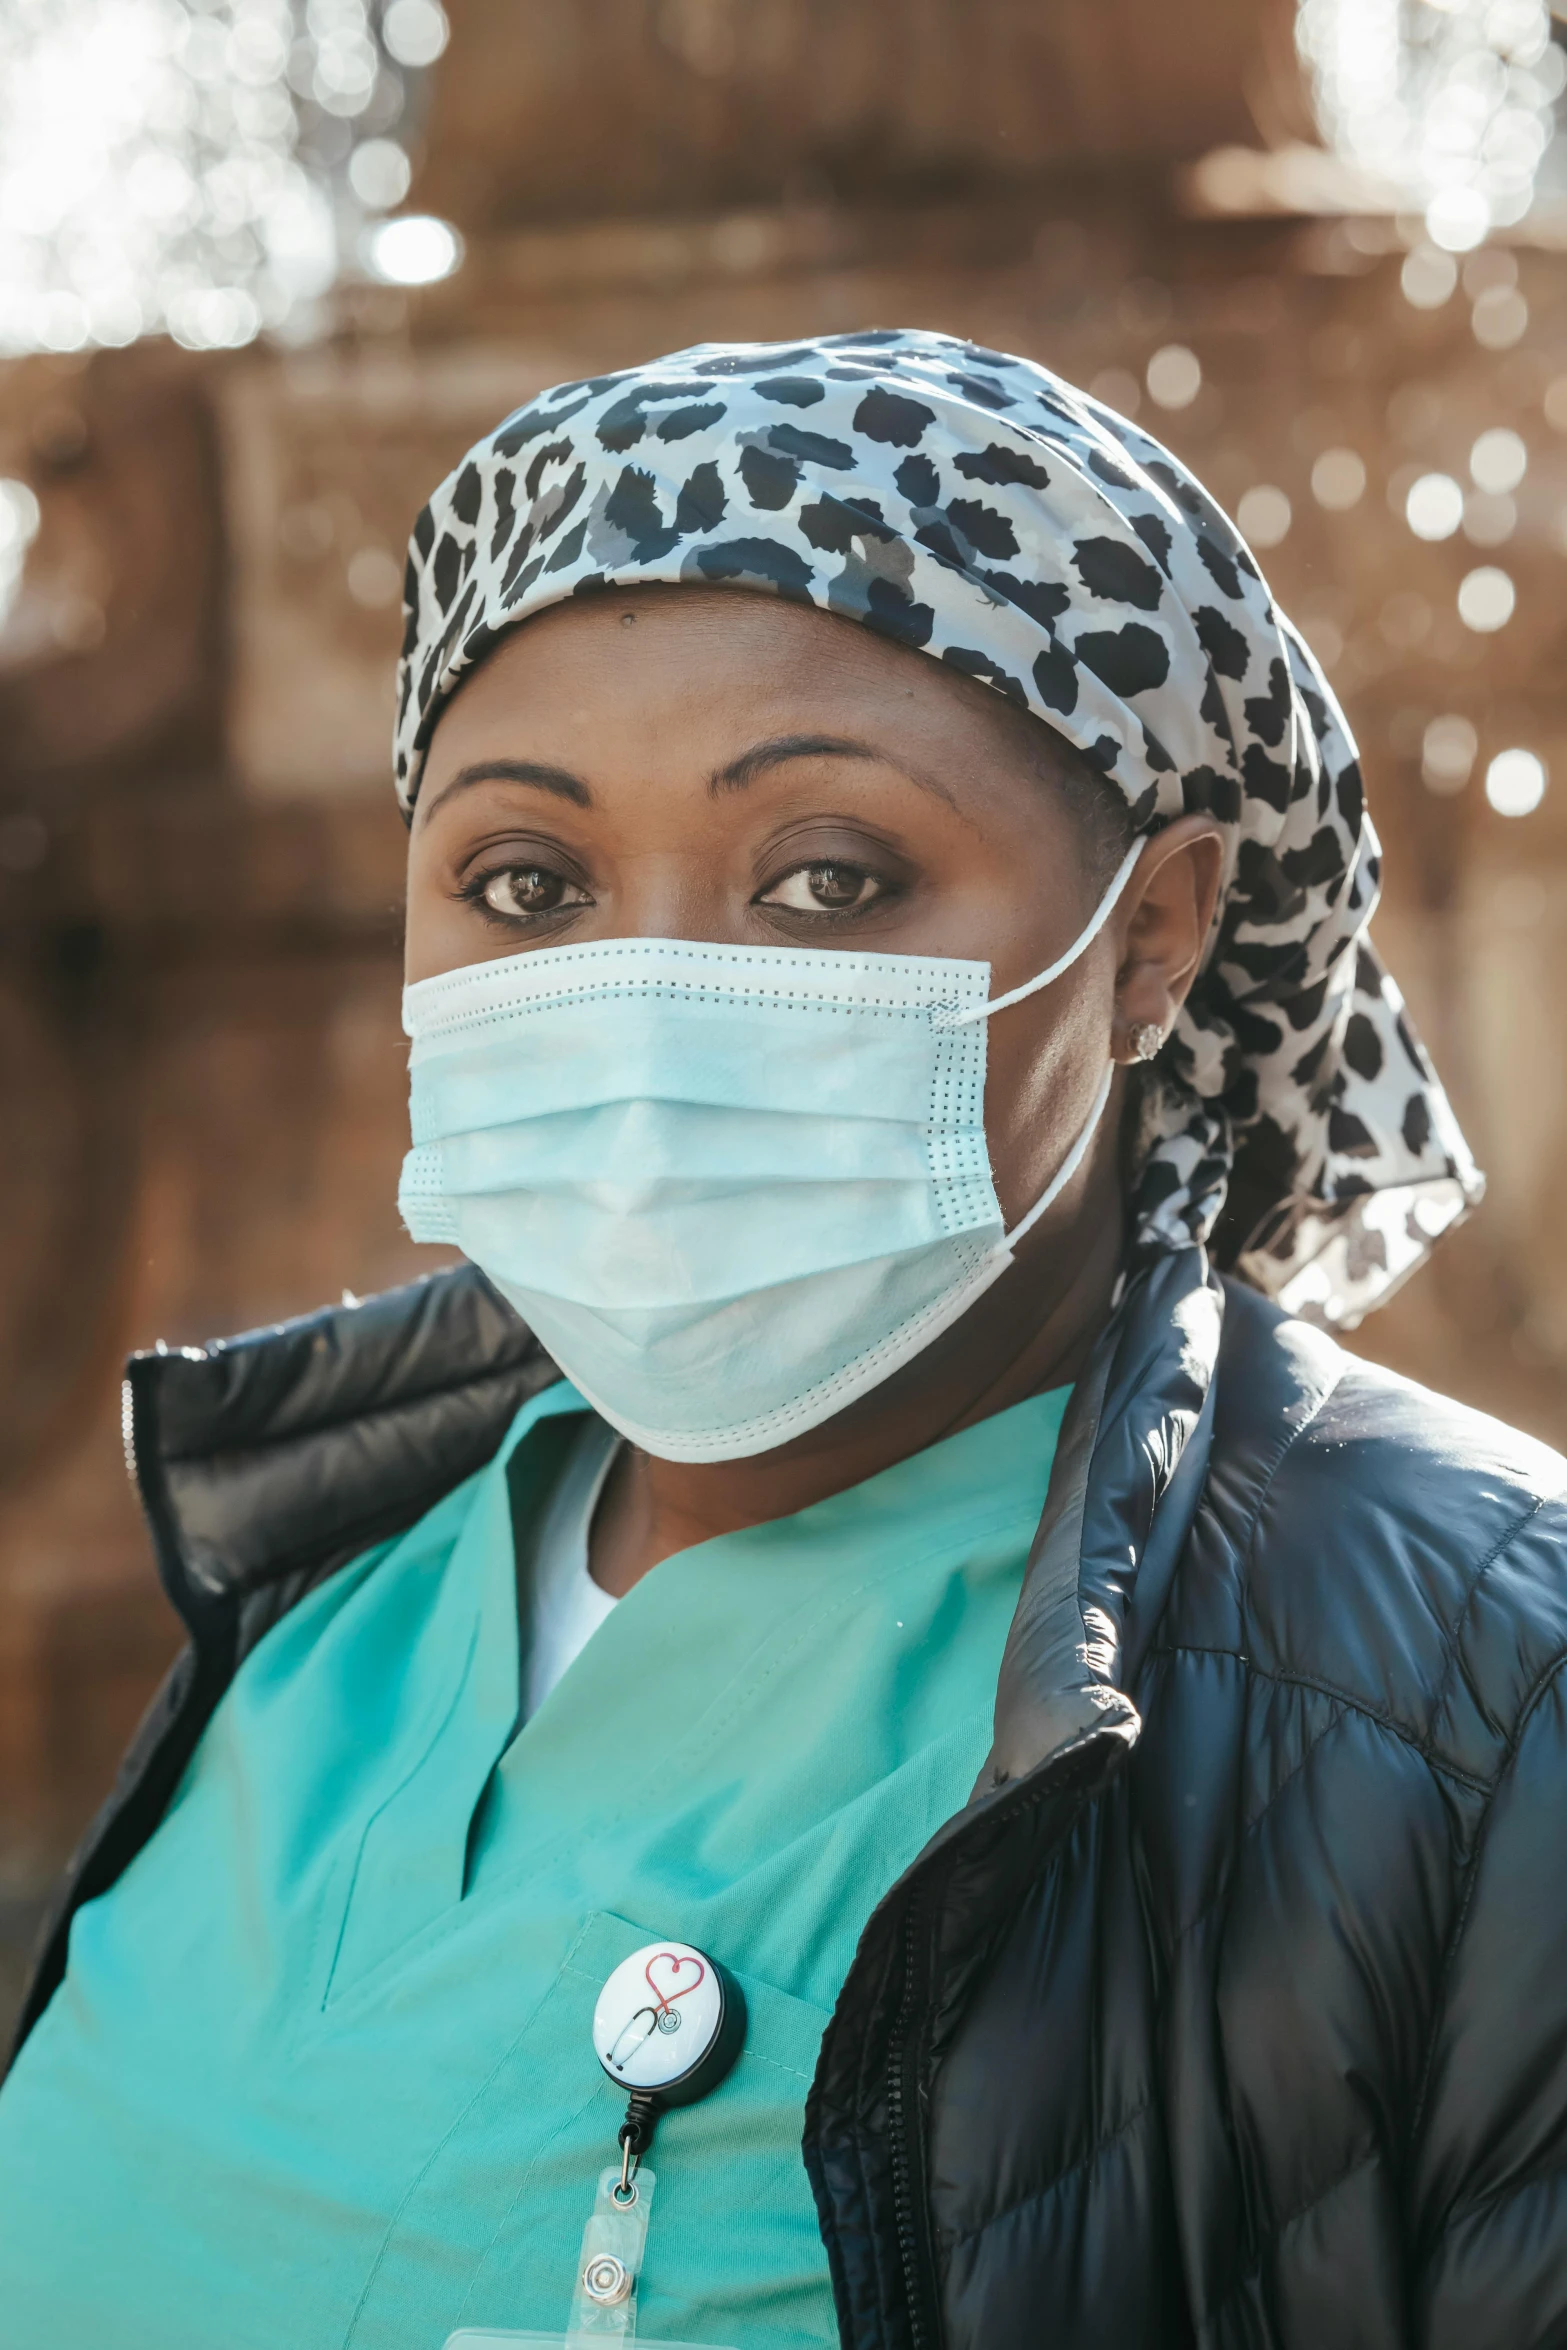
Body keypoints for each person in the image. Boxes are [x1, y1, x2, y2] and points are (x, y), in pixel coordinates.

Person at [1, 329, 1562, 2350]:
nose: (646, 1006)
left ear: (1156, 931)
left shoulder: (1481, 1702)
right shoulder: (311, 1596)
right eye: (526, 878)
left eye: (829, 876)